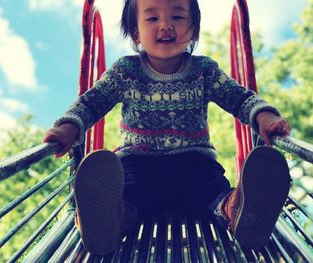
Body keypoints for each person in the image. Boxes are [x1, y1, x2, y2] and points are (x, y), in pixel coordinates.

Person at [43, 0, 291, 255]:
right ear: (136, 32)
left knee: (211, 190)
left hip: (194, 164)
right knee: (127, 192)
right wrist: (68, 127)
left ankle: (238, 210)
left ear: (193, 29)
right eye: (152, 19)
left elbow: (239, 98)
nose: (165, 26)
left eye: (177, 17)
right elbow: (92, 102)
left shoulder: (203, 70)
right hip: (139, 164)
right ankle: (111, 218)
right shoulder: (125, 71)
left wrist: (264, 115)